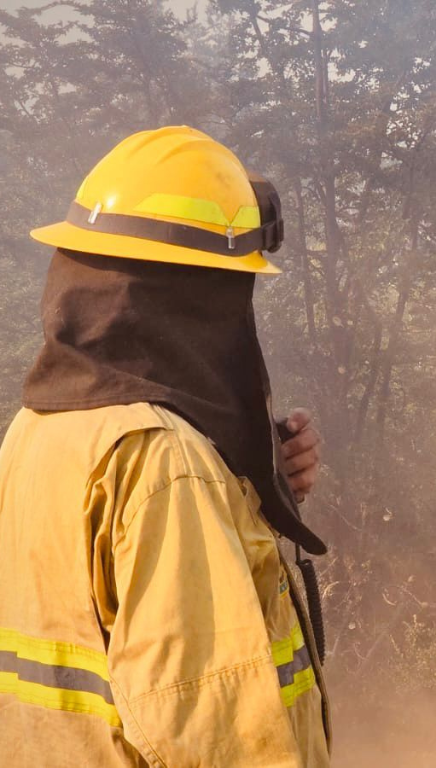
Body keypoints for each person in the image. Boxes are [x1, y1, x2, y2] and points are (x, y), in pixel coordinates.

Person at [0, 126, 330, 766]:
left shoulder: (37, 428)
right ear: (199, 296)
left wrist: (255, 490)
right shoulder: (165, 463)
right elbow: (212, 726)